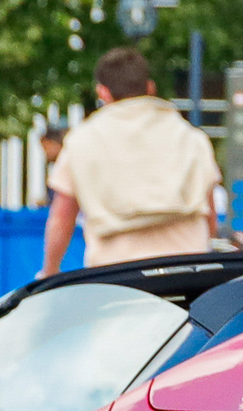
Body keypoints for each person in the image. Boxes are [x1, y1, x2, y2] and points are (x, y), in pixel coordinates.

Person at [41, 46, 220, 275]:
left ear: (102, 93)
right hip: (186, 272)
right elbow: (209, 214)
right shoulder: (192, 138)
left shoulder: (81, 141)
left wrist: (49, 271)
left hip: (118, 277)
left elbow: (61, 219)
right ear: (150, 87)